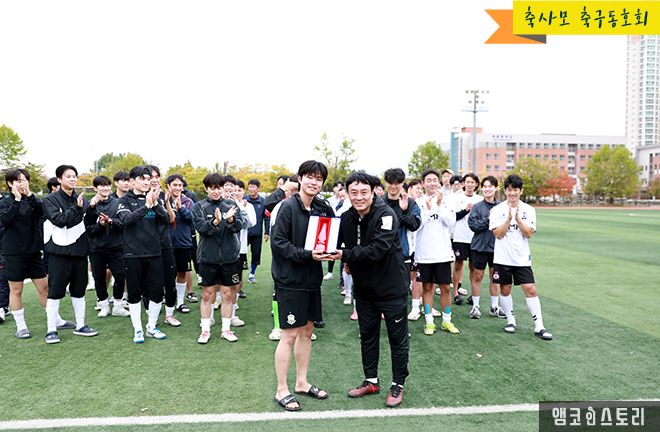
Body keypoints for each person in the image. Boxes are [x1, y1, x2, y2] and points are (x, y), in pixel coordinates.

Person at [330, 172, 410, 407]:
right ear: (347, 194)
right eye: (353, 192)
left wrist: (345, 255)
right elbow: (333, 241)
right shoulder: (346, 217)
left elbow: (378, 249)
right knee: (367, 337)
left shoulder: (386, 215)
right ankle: (371, 381)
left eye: (364, 192)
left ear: (373, 192)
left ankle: (397, 384)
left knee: (397, 340)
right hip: (364, 290)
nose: (359, 197)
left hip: (391, 289)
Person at [270, 160, 333, 411]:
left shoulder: (321, 207)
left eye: (319, 179)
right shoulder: (287, 207)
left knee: (307, 331)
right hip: (290, 281)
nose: (314, 182)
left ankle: (301, 383)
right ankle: (281, 390)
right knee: (289, 335)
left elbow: (329, 234)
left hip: (311, 279)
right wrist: (308, 255)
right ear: (300, 178)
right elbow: (278, 244)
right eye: (310, 177)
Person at [0, 169, 63, 338]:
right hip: (13, 253)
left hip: (33, 252)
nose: (23, 183)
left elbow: (43, 211)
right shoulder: (5, 202)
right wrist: (17, 199)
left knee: (45, 287)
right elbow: (5, 219)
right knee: (16, 290)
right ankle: (21, 327)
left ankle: (56, 319)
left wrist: (28, 195)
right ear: (10, 183)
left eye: (25, 180)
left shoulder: (33, 201)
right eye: (18, 181)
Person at [489, 174, 552, 340]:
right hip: (502, 258)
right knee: (505, 289)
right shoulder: (497, 210)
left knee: (530, 289)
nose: (512, 193)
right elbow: (498, 234)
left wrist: (517, 219)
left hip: (522, 258)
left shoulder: (529, 210)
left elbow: (528, 234)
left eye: (515, 190)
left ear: (521, 191)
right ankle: (511, 321)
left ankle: (539, 326)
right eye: (509, 190)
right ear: (505, 191)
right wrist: (508, 219)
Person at [42, 165, 98, 343]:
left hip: (80, 253)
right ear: (59, 179)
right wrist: (77, 208)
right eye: (68, 176)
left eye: (74, 176)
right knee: (55, 292)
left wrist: (92, 209)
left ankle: (80, 325)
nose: (73, 179)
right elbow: (59, 221)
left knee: (79, 291)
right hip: (59, 254)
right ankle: (51, 330)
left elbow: (88, 223)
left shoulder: (81, 199)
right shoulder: (49, 200)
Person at [192, 173, 247, 344]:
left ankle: (226, 330)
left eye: (219, 188)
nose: (216, 191)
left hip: (230, 258)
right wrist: (215, 222)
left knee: (227, 295)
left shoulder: (231, 204)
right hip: (207, 258)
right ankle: (205, 330)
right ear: (206, 189)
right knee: (207, 295)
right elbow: (201, 227)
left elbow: (239, 226)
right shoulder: (199, 207)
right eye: (212, 188)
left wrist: (230, 219)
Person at [117, 165, 169, 343]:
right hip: (133, 254)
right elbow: (126, 220)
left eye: (148, 179)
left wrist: (155, 204)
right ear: (132, 181)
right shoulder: (124, 200)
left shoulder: (155, 198)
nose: (147, 182)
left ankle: (151, 326)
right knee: (134, 294)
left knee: (157, 293)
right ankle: (137, 329)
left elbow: (165, 219)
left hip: (154, 252)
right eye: (142, 179)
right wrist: (146, 206)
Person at [413, 169, 458, 335]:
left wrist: (438, 205)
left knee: (445, 287)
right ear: (423, 184)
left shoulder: (447, 201)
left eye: (434, 180)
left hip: (443, 253)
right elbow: (416, 226)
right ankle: (429, 322)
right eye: (428, 180)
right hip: (424, 253)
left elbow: (450, 222)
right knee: (427, 288)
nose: (432, 183)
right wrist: (428, 208)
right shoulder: (417, 203)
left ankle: (447, 320)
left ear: (439, 182)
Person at [84, 175, 129, 318]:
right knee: (99, 277)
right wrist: (100, 224)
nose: (105, 188)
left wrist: (110, 222)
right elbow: (88, 229)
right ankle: (103, 305)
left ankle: (118, 305)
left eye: (107, 185)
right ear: (95, 188)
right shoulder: (90, 205)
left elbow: (123, 224)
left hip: (116, 246)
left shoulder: (118, 203)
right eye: (102, 185)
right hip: (96, 248)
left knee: (120, 276)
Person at [146, 165, 179, 328]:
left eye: (156, 176)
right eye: (150, 177)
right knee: (149, 283)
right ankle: (150, 314)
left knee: (170, 281)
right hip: (146, 247)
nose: (154, 179)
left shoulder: (164, 195)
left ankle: (169, 315)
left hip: (165, 244)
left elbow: (171, 219)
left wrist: (166, 202)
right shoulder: (140, 196)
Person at [468, 176, 505, 319]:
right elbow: (473, 226)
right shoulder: (476, 207)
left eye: (490, 186)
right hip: (479, 247)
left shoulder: (502, 207)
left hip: (497, 247)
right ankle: (475, 306)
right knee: (477, 276)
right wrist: (488, 219)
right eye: (485, 186)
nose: (487, 189)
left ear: (496, 188)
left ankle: (494, 307)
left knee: (495, 277)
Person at [451, 173, 483, 306]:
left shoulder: (480, 199)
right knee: (458, 264)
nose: (470, 185)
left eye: (472, 182)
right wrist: (466, 210)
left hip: (475, 238)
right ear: (463, 184)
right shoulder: (456, 198)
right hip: (460, 236)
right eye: (467, 182)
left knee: (473, 266)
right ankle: (455, 292)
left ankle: (473, 294)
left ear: (476, 184)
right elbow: (452, 217)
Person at [165, 174, 194, 315]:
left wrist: (181, 208)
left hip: (184, 243)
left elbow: (192, 218)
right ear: (168, 186)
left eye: (180, 185)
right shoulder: (162, 200)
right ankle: (167, 299)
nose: (178, 188)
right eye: (175, 185)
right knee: (166, 274)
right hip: (165, 243)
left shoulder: (188, 201)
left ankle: (181, 302)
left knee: (182, 272)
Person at [244, 179, 270, 285]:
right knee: (240, 254)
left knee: (256, 254)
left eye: (253, 186)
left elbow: (267, 218)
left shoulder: (263, 202)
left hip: (257, 233)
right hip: (244, 233)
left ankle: (252, 274)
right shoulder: (244, 200)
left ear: (258, 188)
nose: (251, 189)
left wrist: (267, 232)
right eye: (250, 186)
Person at [235, 179, 256, 301]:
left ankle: (235, 300)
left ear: (244, 191)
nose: (237, 193)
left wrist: (241, 208)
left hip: (241, 247)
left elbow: (252, 222)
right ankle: (219, 298)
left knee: (239, 274)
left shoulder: (249, 206)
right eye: (235, 190)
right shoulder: (226, 204)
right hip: (226, 247)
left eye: (239, 190)